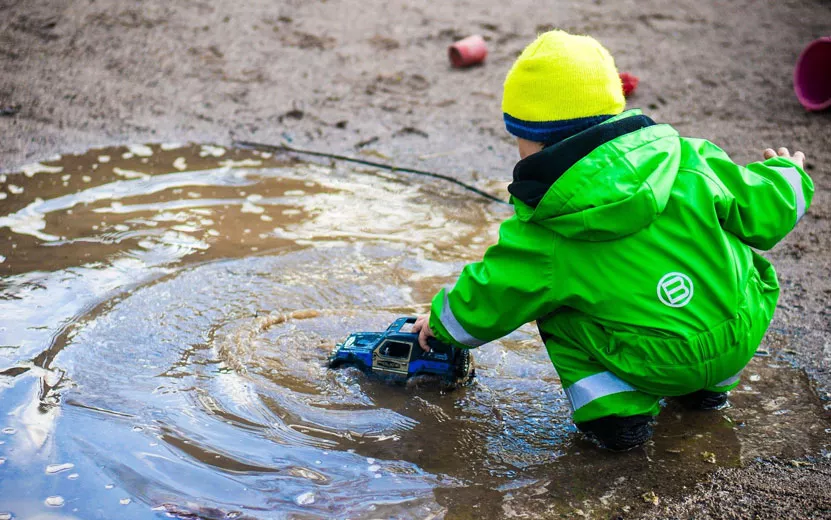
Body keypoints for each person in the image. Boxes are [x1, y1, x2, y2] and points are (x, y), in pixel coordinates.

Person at [411, 30, 814, 451]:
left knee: (550, 305)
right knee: (727, 255)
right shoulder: (691, 159)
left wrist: (440, 325)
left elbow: (492, 293)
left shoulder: (545, 228)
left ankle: (616, 417)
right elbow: (765, 208)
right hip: (738, 333)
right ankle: (707, 393)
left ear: (529, 139)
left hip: (653, 361)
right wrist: (789, 174)